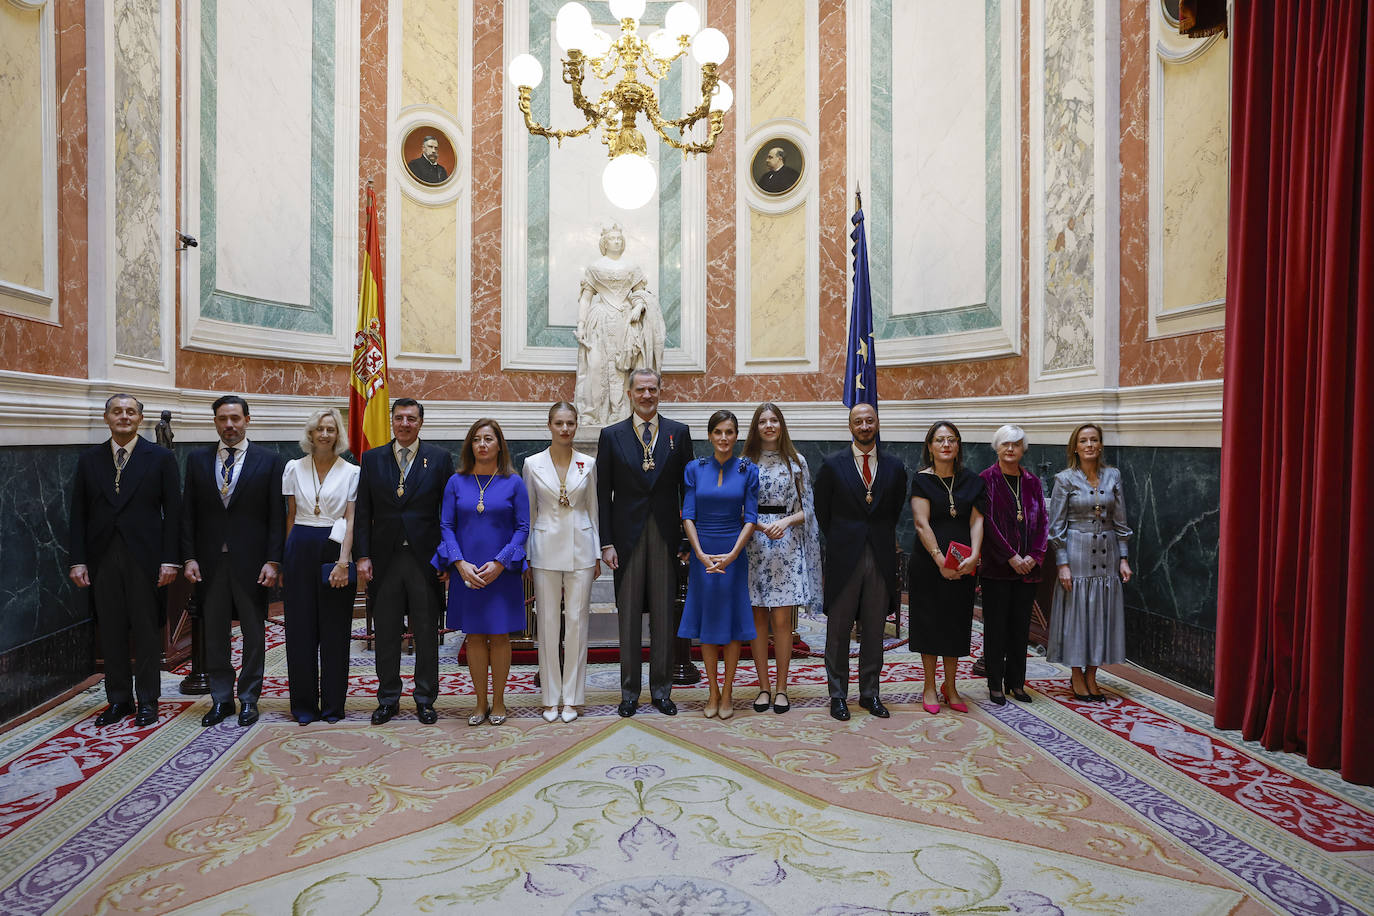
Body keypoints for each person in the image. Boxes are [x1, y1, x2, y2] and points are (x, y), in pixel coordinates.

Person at [68, 394, 181, 728]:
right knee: (112, 631)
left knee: (146, 632)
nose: (124, 417)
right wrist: (78, 561)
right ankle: (118, 700)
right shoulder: (89, 460)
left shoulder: (159, 458)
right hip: (102, 557)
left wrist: (170, 560)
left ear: (140, 419)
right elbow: (78, 514)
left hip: (145, 557)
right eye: (117, 411)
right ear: (106, 418)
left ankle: (148, 700)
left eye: (130, 412)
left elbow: (173, 513)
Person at [181, 395, 285, 728]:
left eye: (235, 418)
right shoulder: (197, 460)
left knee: (254, 633)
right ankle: (222, 699)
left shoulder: (269, 460)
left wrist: (273, 561)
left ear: (247, 420)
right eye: (223, 419)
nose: (229, 425)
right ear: (215, 422)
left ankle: (250, 698)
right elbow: (189, 516)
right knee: (215, 634)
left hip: (252, 563)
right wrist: (189, 557)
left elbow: (276, 516)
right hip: (210, 563)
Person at [596, 368, 694, 717]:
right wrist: (606, 542)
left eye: (653, 389)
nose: (647, 395)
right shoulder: (611, 435)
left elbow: (689, 490)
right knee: (629, 618)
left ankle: (662, 690)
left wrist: (685, 538)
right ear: (630, 393)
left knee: (666, 616)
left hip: (666, 536)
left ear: (660, 392)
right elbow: (602, 494)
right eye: (641, 390)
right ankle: (629, 692)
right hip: (626, 537)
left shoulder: (678, 434)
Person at [355, 398, 455, 725]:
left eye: (411, 418)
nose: (405, 424)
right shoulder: (372, 459)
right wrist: (363, 556)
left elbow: (448, 514)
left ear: (421, 422)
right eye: (399, 418)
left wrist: (447, 558)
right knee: (386, 633)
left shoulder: (439, 459)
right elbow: (363, 513)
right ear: (392, 422)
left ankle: (425, 698)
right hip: (385, 559)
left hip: (425, 559)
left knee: (426, 632)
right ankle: (388, 699)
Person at [813, 403, 908, 721]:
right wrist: (844, 537)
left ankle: (870, 693)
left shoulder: (895, 466)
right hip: (844, 556)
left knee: (874, 629)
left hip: (880, 555)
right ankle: (838, 695)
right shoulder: (832, 464)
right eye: (858, 421)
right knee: (838, 630)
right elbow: (822, 511)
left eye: (869, 420)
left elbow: (894, 510)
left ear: (877, 423)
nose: (865, 426)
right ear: (850, 426)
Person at [435, 419, 529, 726]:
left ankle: (499, 701)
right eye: (477, 439)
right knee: (474, 637)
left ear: (500, 444)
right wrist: (459, 562)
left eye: (489, 439)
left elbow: (523, 527)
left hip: (502, 570)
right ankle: (479, 703)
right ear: (470, 446)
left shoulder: (514, 482)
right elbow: (447, 526)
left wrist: (501, 562)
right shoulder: (456, 481)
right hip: (467, 569)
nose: (483, 444)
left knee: (500, 636)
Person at [679, 410, 759, 718]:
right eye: (718, 432)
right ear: (710, 436)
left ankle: (727, 694)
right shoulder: (695, 469)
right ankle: (711, 692)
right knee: (709, 626)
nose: (723, 438)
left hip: (733, 554)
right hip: (704, 554)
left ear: (736, 436)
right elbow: (688, 514)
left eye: (729, 432)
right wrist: (698, 553)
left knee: (732, 628)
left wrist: (734, 553)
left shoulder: (747, 469)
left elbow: (750, 518)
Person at [281, 408, 359, 724]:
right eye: (319, 429)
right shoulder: (293, 468)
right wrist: (287, 559)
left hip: (333, 547)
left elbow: (351, 519)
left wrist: (344, 561)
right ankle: (303, 707)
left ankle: (332, 706)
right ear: (310, 434)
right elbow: (289, 515)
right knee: (299, 631)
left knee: (335, 630)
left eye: (331, 429)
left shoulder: (352, 471)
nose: (325, 434)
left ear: (338, 435)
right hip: (299, 544)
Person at [742, 402, 821, 715]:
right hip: (754, 545)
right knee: (758, 620)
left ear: (781, 425)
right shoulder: (744, 462)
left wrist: (786, 522)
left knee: (781, 621)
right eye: (763, 421)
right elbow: (737, 507)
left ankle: (782, 688)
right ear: (756, 427)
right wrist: (759, 524)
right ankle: (763, 687)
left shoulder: (796, 461)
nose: (769, 425)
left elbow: (808, 509)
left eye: (774, 420)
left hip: (787, 546)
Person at [523, 402, 600, 723]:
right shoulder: (532, 463)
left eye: (570, 423)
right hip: (544, 549)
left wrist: (597, 553)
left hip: (581, 548)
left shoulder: (589, 463)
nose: (565, 428)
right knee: (549, 625)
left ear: (577, 425)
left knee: (577, 624)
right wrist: (526, 554)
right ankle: (551, 698)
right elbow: (529, 512)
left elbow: (594, 510)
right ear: (549, 425)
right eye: (559, 423)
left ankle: (573, 697)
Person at [1047, 423, 1133, 701]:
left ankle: (1092, 675)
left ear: (1100, 445)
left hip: (1107, 552)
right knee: (1077, 613)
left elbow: (1120, 520)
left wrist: (1124, 559)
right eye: (1084, 440)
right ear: (1076, 447)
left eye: (1094, 440)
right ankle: (1075, 675)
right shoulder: (1065, 479)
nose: (1089, 445)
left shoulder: (1113, 476)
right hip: (1077, 551)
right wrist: (1062, 564)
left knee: (1101, 615)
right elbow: (1056, 525)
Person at [909, 420, 985, 715]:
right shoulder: (921, 480)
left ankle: (950, 686)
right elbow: (920, 523)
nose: (945, 445)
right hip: (929, 563)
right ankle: (929, 685)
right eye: (939, 440)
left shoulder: (973, 481)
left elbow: (977, 520)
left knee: (954, 623)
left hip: (964, 562)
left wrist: (975, 556)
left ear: (958, 446)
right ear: (929, 446)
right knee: (930, 623)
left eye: (951, 440)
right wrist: (940, 560)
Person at [978, 425, 1048, 706]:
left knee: (1020, 629)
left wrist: (1035, 556)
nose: (1010, 449)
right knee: (996, 628)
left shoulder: (1031, 481)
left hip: (1028, 570)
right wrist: (1011, 557)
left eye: (1016, 444)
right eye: (1005, 444)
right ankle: (995, 683)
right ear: (997, 447)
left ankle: (1016, 683)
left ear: (1023, 450)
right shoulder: (987, 479)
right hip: (998, 568)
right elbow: (988, 523)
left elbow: (1043, 521)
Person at [574, 224, 667, 426]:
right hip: (599, 321)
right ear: (604, 243)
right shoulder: (594, 267)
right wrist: (581, 325)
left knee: (623, 367)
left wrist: (639, 306)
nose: (616, 241)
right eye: (612, 238)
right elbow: (586, 298)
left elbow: (641, 294)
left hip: (626, 321)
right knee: (596, 366)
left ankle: (621, 414)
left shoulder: (632, 267)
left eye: (619, 238)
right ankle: (594, 414)